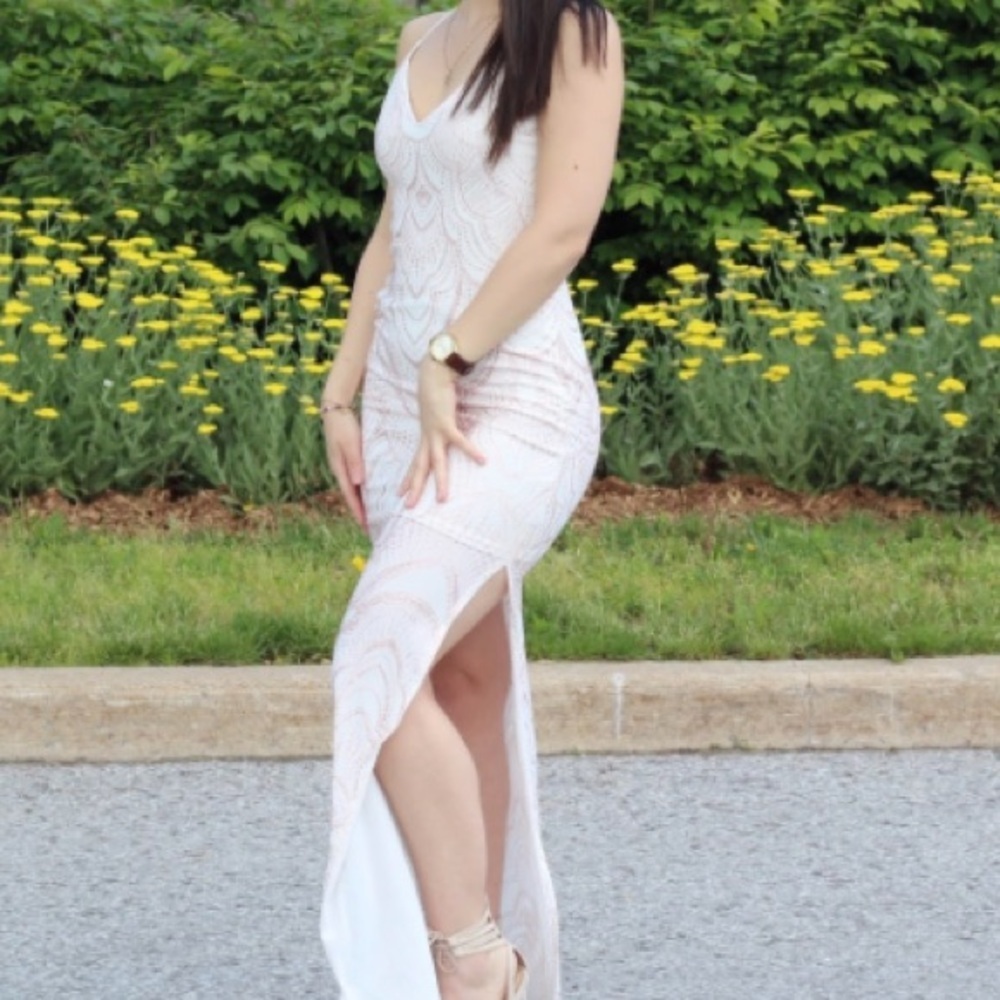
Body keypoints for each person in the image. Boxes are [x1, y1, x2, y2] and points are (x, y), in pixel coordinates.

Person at [318, 0, 624, 996]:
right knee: (462, 683)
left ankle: (472, 959)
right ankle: (484, 946)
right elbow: (392, 232)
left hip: (517, 394)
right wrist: (341, 387)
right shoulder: (423, 36)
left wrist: (451, 353)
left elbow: (561, 228)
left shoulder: (575, 31)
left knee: (381, 650)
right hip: (413, 411)